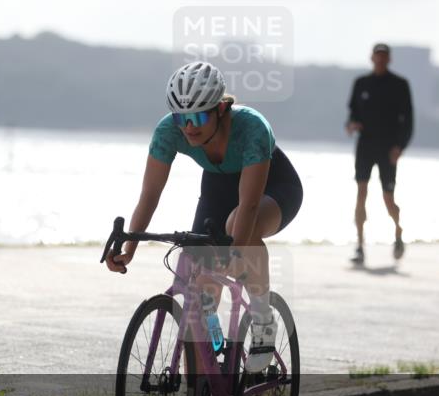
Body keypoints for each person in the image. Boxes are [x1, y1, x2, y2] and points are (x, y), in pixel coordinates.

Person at [105, 61, 303, 373]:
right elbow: (150, 194)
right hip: (218, 188)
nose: (188, 126)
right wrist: (129, 248)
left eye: (198, 117)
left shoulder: (252, 128)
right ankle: (203, 383)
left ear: (221, 109)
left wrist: (236, 253)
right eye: (180, 117)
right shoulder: (169, 131)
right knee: (198, 288)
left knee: (236, 228)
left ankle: (263, 321)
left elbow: (249, 206)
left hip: (273, 189)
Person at [345, 43, 414, 264]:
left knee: (388, 198)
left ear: (389, 59)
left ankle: (398, 232)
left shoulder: (400, 85)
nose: (381, 60)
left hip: (388, 148)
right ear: (372, 58)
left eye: (384, 57)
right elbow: (352, 113)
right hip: (365, 146)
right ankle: (360, 245)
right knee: (361, 192)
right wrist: (351, 125)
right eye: (378, 56)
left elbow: (408, 121)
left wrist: (399, 147)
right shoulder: (361, 83)